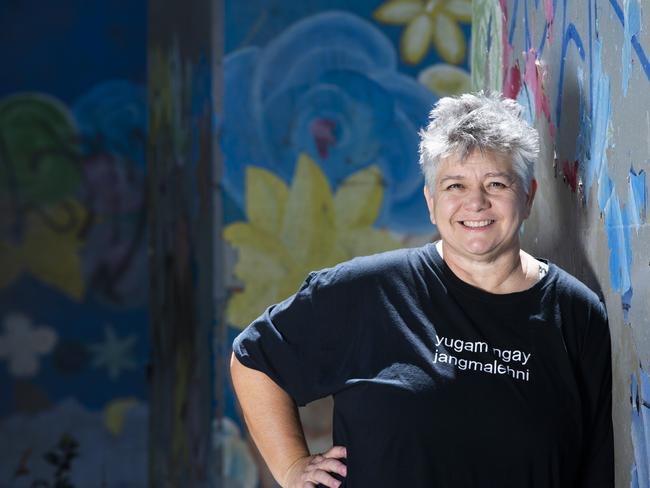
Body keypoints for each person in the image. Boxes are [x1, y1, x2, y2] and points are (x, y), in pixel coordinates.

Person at [230, 92, 614, 487]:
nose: (476, 203)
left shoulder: (576, 314)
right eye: (455, 186)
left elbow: (596, 467)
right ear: (431, 203)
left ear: (528, 196)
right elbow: (254, 360)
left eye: (496, 183)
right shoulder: (367, 292)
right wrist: (292, 467)